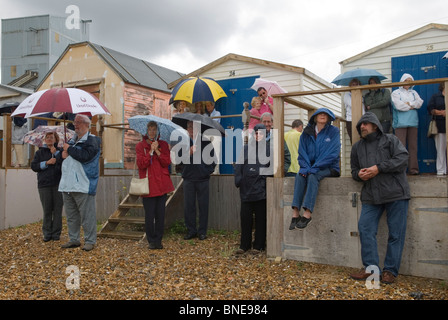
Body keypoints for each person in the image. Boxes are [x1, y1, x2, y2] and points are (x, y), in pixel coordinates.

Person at [349, 112, 410, 284]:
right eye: (360, 124)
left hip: (396, 193)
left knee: (396, 234)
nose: (362, 126)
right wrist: (359, 175)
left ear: (375, 125)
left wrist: (379, 168)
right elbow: (353, 171)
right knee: (365, 228)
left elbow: (403, 159)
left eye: (366, 123)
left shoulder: (390, 140)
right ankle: (371, 269)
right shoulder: (357, 147)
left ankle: (390, 271)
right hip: (371, 195)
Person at [289, 108, 341, 230]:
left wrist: (314, 168)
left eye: (325, 114)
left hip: (329, 168)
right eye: (319, 114)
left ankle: (307, 213)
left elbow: (332, 154)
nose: (322, 115)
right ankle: (295, 213)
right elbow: (302, 153)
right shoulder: (306, 133)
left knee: (313, 176)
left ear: (329, 118)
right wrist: (306, 168)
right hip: (310, 167)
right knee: (300, 175)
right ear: (315, 117)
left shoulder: (334, 131)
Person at [59, 114, 101, 251]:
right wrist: (63, 153)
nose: (76, 124)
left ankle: (90, 240)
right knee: (71, 215)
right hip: (68, 184)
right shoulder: (72, 140)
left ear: (87, 124)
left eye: (79, 122)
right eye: (75, 122)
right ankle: (74, 239)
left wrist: (69, 150)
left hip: (83, 183)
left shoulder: (92, 140)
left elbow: (85, 156)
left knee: (87, 215)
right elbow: (65, 155)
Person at [136, 121, 174, 249]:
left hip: (161, 185)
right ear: (146, 131)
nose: (152, 132)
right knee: (149, 215)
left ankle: (158, 240)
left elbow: (166, 162)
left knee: (160, 215)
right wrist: (150, 152)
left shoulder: (163, 144)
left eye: (154, 129)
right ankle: (151, 240)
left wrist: (157, 150)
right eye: (150, 129)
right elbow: (141, 164)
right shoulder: (140, 146)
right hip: (148, 186)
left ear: (157, 131)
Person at [234, 123, 271, 254]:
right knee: (245, 219)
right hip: (246, 189)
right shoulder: (245, 149)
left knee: (261, 219)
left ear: (265, 135)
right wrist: (239, 181)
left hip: (261, 190)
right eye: (256, 133)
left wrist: (263, 180)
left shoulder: (268, 149)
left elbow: (272, 168)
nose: (258, 135)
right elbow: (238, 166)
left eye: (261, 133)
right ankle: (244, 245)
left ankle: (258, 245)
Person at [182, 121, 216, 240]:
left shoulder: (205, 142)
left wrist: (206, 171)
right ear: (187, 129)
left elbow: (213, 160)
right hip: (188, 179)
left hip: (202, 179)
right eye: (189, 127)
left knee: (203, 206)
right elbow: (178, 160)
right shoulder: (183, 142)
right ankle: (191, 230)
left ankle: (202, 231)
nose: (191, 129)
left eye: (194, 127)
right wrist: (189, 152)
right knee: (189, 206)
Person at [30, 131, 64, 242]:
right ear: (44, 140)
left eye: (52, 137)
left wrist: (57, 155)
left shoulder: (60, 152)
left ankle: (56, 234)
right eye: (47, 137)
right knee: (47, 210)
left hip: (58, 184)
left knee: (58, 210)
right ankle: (47, 233)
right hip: (44, 185)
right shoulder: (39, 153)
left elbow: (65, 165)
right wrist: (46, 163)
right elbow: (34, 166)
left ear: (56, 140)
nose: (49, 139)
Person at [391, 73, 424, 175]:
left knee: (413, 146)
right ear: (402, 81)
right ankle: (401, 170)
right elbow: (398, 106)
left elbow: (420, 103)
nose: (408, 83)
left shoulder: (414, 92)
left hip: (413, 122)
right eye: (406, 80)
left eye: (410, 80)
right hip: (400, 123)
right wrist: (412, 105)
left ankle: (413, 169)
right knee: (401, 147)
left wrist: (408, 104)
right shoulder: (396, 93)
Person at [427, 83, 446, 176]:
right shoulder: (436, 96)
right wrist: (442, 112)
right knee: (440, 148)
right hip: (440, 124)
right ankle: (441, 170)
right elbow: (430, 109)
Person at [344, 78, 364, 144]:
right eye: (353, 84)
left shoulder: (361, 95)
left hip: (361, 119)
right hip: (350, 120)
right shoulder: (347, 95)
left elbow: (363, 108)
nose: (355, 86)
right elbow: (352, 104)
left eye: (356, 84)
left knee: (362, 138)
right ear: (350, 86)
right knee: (353, 140)